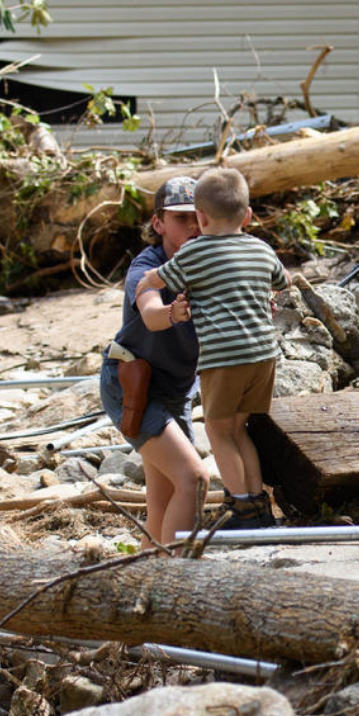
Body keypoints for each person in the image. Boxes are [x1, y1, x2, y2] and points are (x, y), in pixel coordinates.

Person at [136, 164, 289, 530]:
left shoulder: (194, 253)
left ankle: (242, 508)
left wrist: (145, 281)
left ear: (200, 218)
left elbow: (160, 278)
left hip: (225, 358)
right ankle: (260, 506)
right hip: (264, 356)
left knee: (219, 431)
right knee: (240, 429)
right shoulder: (261, 248)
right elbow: (281, 282)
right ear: (248, 215)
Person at [101, 174, 216, 546]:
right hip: (133, 387)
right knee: (195, 479)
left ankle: (145, 584)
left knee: (163, 502)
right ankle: (171, 581)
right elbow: (150, 310)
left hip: (175, 394)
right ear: (158, 223)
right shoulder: (146, 265)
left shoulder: (211, 266)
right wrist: (172, 313)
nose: (193, 226)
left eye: (199, 216)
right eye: (182, 218)